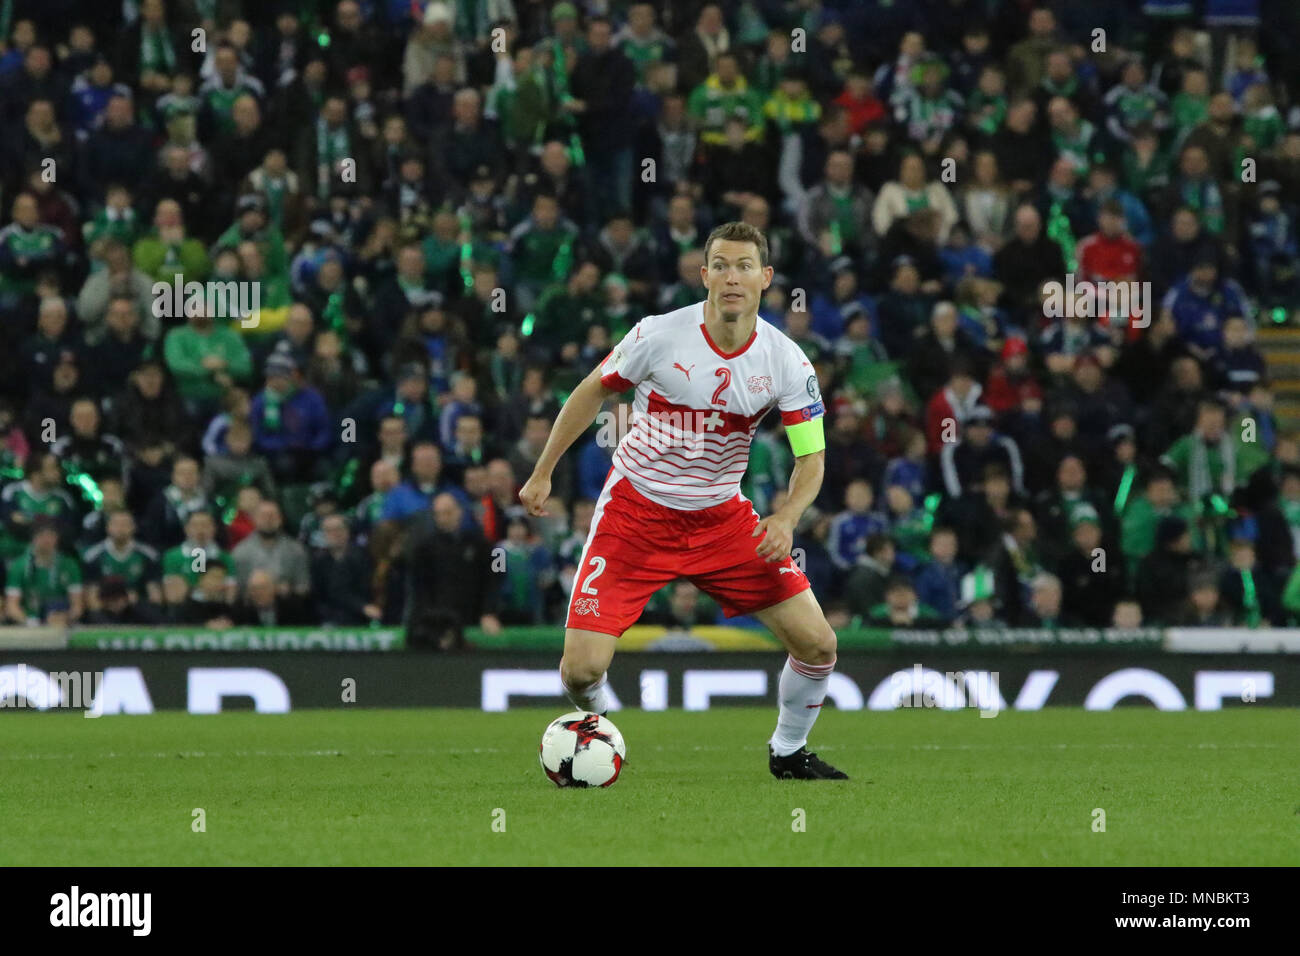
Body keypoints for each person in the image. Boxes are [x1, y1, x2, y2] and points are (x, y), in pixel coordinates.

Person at [518, 222, 847, 781]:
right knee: (579, 671)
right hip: (636, 512)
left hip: (722, 520)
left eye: (744, 266)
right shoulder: (660, 335)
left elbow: (811, 458)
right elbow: (594, 388)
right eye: (720, 265)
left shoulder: (787, 362)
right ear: (704, 275)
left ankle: (788, 752)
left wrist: (788, 516)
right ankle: (601, 728)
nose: (732, 277)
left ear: (765, 279)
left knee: (818, 643)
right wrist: (543, 471)